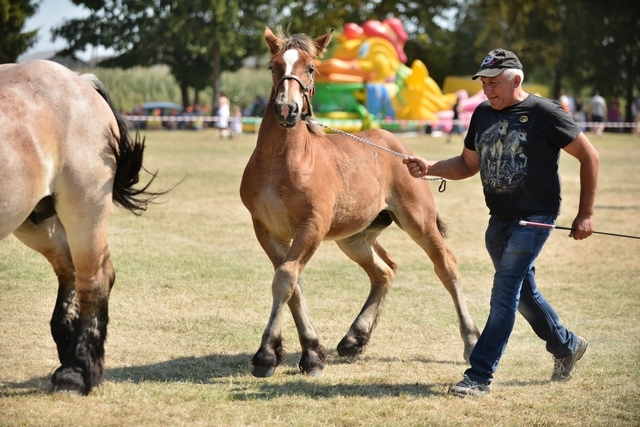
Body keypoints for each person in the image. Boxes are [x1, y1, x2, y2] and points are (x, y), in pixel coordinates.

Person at [403, 48, 599, 397]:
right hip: (499, 221)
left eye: (495, 83)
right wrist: (430, 167)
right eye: (484, 83)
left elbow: (589, 156)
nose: (488, 90)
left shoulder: (543, 112)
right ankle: (567, 345)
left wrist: (585, 213)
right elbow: (467, 165)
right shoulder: (481, 114)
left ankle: (479, 376)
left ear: (516, 80)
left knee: (504, 293)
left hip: (535, 219)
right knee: (524, 294)